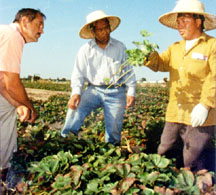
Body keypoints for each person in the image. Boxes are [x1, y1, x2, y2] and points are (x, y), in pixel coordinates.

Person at [143, 0, 216, 172]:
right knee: (164, 152)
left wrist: (205, 105)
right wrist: (147, 55)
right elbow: (160, 64)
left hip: (200, 115)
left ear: (199, 21)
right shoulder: (175, 48)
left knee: (193, 161)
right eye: (178, 22)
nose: (179, 26)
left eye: (184, 21)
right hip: (175, 112)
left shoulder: (212, 46)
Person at [61, 10, 136, 146]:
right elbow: (78, 73)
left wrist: (131, 91)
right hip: (93, 90)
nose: (105, 32)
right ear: (93, 31)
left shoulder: (120, 47)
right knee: (75, 109)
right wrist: (76, 93)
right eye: (100, 29)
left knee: (114, 129)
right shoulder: (85, 50)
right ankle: (66, 141)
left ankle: (111, 152)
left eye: (106, 28)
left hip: (116, 91)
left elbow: (129, 71)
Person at [0, 8, 46, 191]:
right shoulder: (13, 36)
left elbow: (2, 82)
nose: (42, 30)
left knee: (6, 110)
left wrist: (17, 104)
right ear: (25, 21)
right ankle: (4, 172)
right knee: (6, 118)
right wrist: (29, 107)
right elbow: (11, 82)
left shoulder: (5, 33)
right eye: (39, 24)